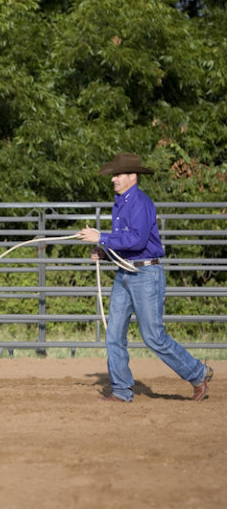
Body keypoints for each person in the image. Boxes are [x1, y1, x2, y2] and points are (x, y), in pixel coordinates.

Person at [77, 153, 213, 402]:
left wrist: (102, 238)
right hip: (126, 272)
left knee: (152, 336)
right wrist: (106, 253)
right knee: (114, 334)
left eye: (118, 175)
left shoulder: (140, 203)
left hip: (146, 274)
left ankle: (197, 373)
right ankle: (120, 390)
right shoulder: (120, 203)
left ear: (132, 176)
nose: (113, 180)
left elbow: (138, 240)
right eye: (113, 175)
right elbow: (127, 243)